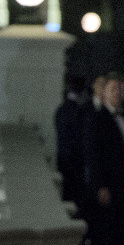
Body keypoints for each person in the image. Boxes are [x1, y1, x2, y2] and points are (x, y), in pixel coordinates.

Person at [83, 73, 124, 245]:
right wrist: (100, 186)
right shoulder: (96, 120)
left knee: (121, 230)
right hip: (107, 187)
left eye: (121, 88)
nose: (119, 92)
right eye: (114, 88)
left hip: (122, 186)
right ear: (104, 92)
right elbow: (92, 156)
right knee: (104, 231)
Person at [53, 71, 88, 206]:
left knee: (67, 197)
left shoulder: (61, 110)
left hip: (63, 161)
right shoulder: (79, 112)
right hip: (76, 163)